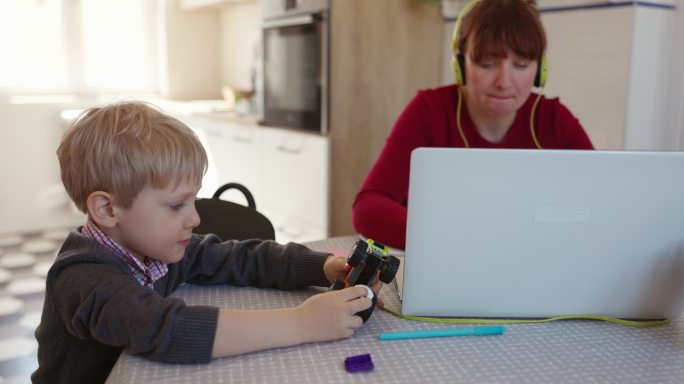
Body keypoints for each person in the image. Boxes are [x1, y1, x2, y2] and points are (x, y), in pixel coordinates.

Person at [32, 101, 376, 384]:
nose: (195, 218)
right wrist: (302, 323)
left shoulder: (157, 248)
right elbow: (168, 329)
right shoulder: (82, 277)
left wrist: (323, 265)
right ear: (108, 208)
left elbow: (239, 258)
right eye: (177, 205)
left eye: (194, 200)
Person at [352, 0, 594, 249]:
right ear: (460, 66)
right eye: (488, 64)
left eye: (521, 65)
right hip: (447, 255)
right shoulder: (428, 110)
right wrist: (454, 237)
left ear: (540, 70)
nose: (504, 82)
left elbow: (602, 202)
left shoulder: (554, 119)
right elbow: (369, 207)